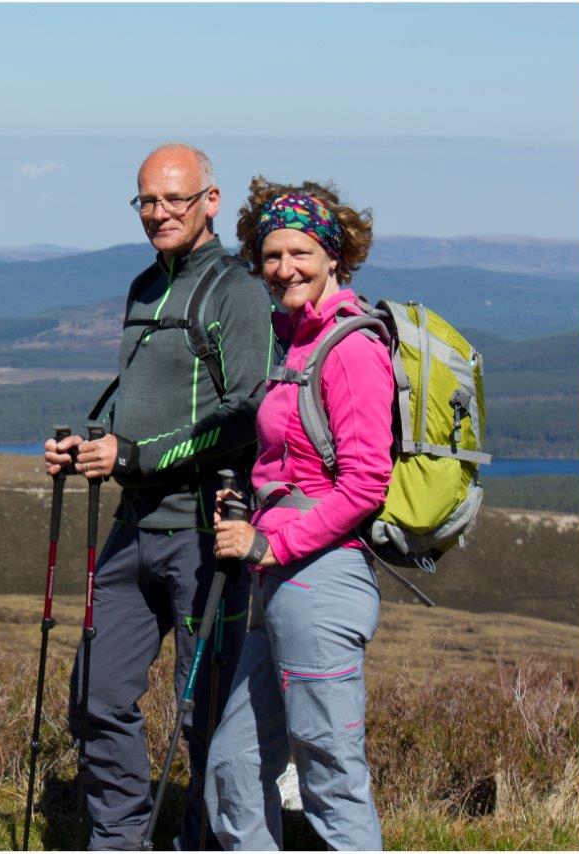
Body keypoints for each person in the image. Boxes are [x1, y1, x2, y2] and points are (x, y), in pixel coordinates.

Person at [44, 143, 274, 850]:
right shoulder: (144, 286)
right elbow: (143, 403)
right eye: (147, 200)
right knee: (95, 697)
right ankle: (119, 839)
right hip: (134, 524)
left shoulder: (236, 290)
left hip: (206, 535)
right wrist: (91, 443)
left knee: (205, 715)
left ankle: (207, 841)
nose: (159, 212)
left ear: (211, 200)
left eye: (175, 198)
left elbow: (246, 414)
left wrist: (135, 455)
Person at [203, 179, 391, 850]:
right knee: (232, 766)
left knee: (330, 775)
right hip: (277, 581)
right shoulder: (295, 345)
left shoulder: (350, 348)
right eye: (271, 254)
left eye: (301, 252)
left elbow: (367, 483)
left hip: (319, 581)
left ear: (335, 255)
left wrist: (273, 546)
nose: (285, 268)